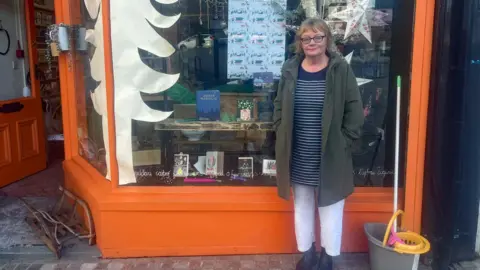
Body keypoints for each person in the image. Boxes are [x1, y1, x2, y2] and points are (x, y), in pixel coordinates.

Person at [273, 18, 364, 270]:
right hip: (299, 151)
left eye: (317, 37)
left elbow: (354, 108)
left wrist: (345, 140)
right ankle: (308, 253)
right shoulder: (291, 68)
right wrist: (280, 126)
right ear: (300, 43)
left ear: (327, 41)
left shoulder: (340, 69)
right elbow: (279, 103)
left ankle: (328, 256)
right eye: (306, 38)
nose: (312, 43)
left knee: (331, 206)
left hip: (331, 152)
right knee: (302, 205)